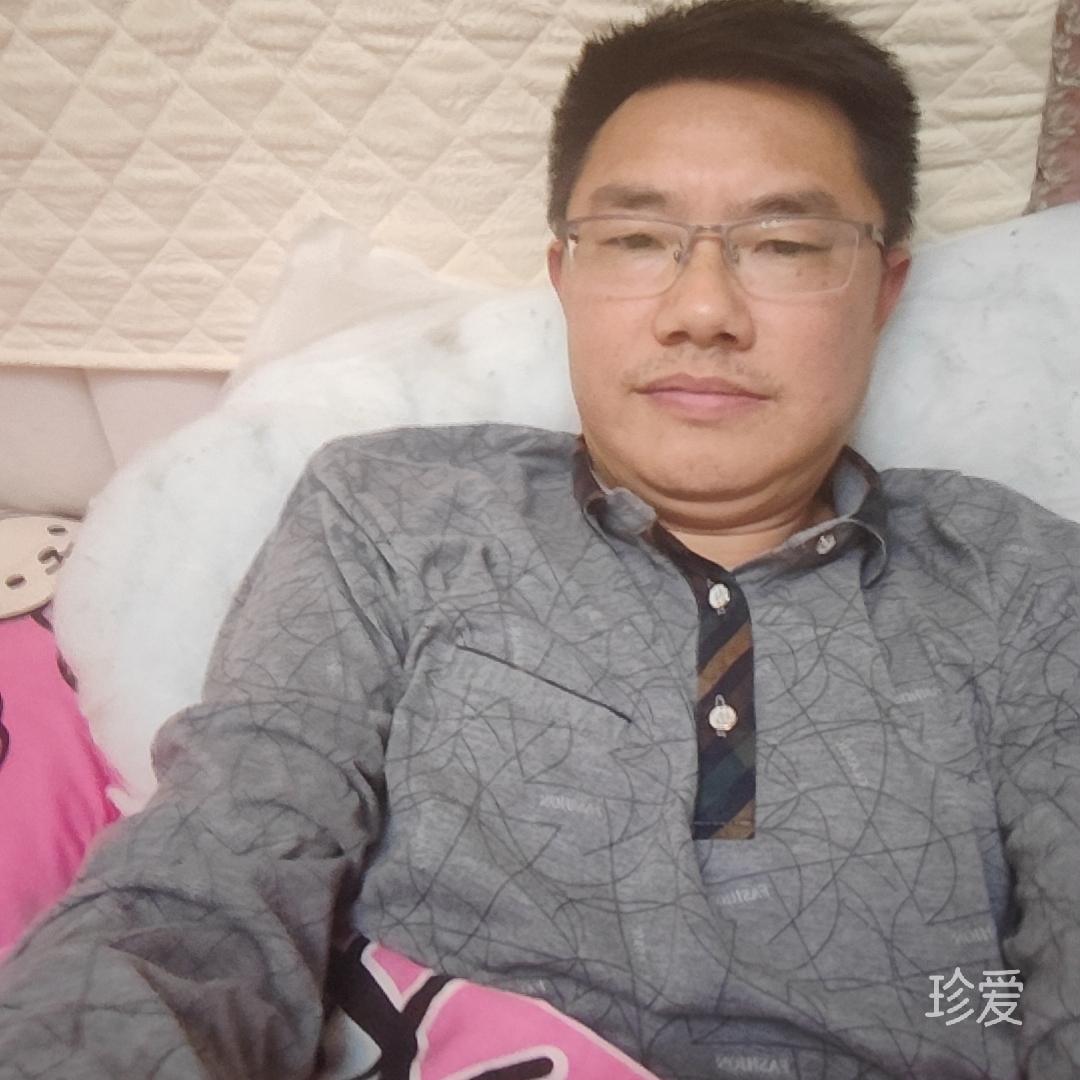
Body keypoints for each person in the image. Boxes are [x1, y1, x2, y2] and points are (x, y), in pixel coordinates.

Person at [1, 1, 1077, 1077]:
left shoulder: (1020, 581)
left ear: (885, 288)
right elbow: (215, 878)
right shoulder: (392, 513)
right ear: (564, 275)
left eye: (786, 245)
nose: (703, 311)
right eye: (637, 240)